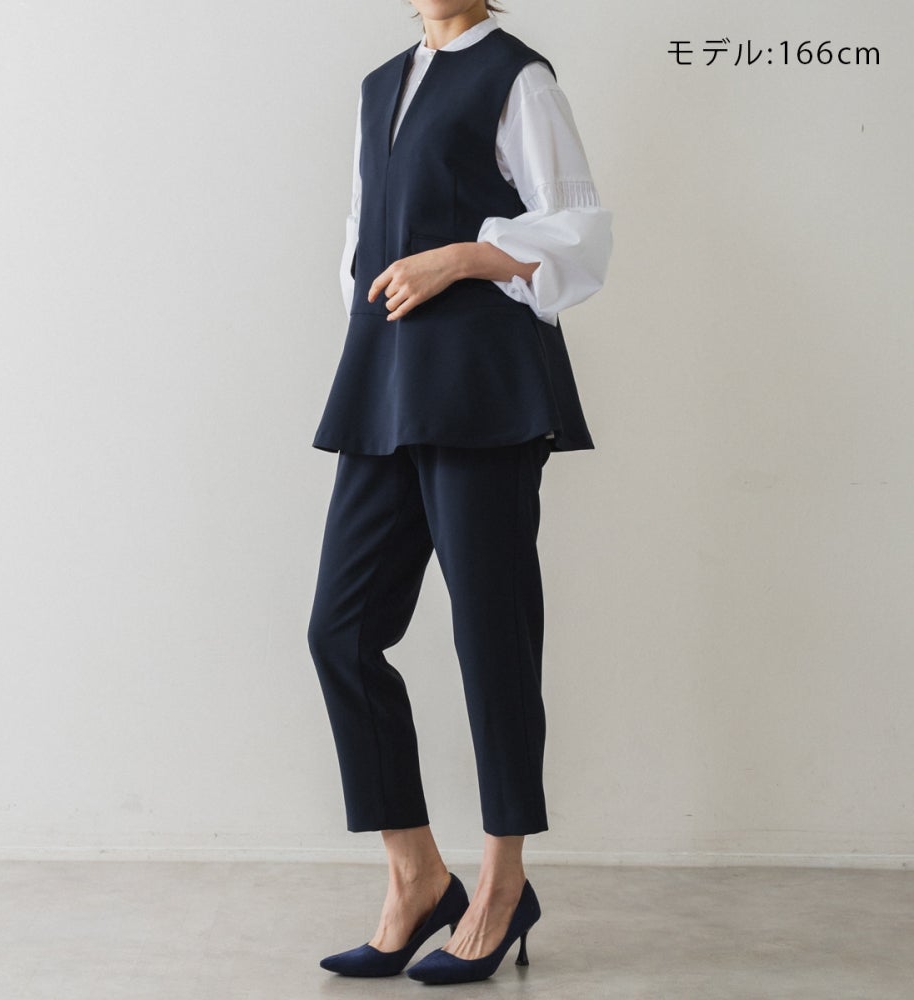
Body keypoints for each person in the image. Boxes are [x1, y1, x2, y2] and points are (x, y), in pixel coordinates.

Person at [306, 0, 612, 985]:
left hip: (483, 383)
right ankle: (416, 877)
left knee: (492, 637)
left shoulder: (518, 75)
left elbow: (578, 235)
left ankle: (501, 884)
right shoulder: (378, 86)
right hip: (386, 379)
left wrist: (467, 256)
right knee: (341, 631)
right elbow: (362, 237)